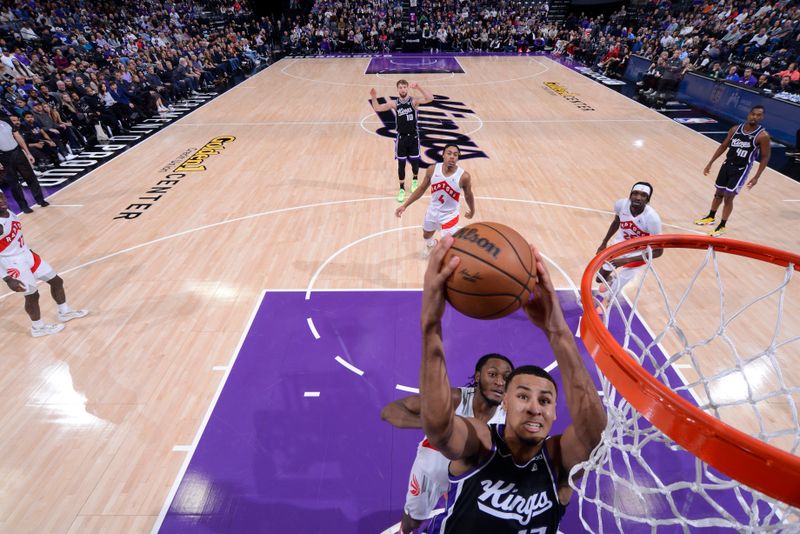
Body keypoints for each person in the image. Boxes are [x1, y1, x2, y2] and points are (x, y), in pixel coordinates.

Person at [418, 237, 606, 533]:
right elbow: (439, 428)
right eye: (522, 396)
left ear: (555, 413)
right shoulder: (482, 442)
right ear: (504, 402)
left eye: (545, 401)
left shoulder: (558, 462)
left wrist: (557, 331)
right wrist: (431, 325)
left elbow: (594, 433)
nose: (534, 408)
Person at [381, 354, 514, 534]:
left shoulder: (511, 417)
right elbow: (390, 411)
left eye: (506, 378)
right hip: (431, 468)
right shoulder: (454, 399)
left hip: (469, 480)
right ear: (477, 377)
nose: (500, 382)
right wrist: (438, 427)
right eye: (492, 374)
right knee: (412, 519)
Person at [0, 191, 88, 337]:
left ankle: (64, 312)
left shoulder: (7, 211)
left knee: (56, 281)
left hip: (27, 254)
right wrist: (8, 278)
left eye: (2, 197)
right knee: (32, 296)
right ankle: (37, 328)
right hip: (13, 262)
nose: (2, 201)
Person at [694, 106, 770, 236]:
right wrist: (710, 162)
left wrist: (757, 176)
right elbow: (723, 146)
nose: (755, 117)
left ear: (762, 117)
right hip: (727, 165)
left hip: (741, 169)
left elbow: (765, 156)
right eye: (753, 114)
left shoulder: (763, 136)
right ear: (749, 114)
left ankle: (722, 225)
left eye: (758, 115)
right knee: (718, 193)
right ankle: (711, 217)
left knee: (729, 197)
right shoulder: (735, 129)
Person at [395, 144, 475, 258]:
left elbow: (468, 195)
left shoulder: (464, 176)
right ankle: (431, 244)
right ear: (443, 155)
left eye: (455, 155)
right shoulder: (432, 170)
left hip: (450, 214)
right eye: (449, 153)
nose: (452, 156)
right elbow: (422, 188)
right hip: (433, 210)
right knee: (426, 235)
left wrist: (472, 210)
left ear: (458, 158)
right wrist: (405, 205)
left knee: (447, 243)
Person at [595, 182, 663, 311]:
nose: (638, 197)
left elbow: (659, 252)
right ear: (630, 195)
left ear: (648, 200)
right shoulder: (621, 205)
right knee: (600, 278)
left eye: (643, 195)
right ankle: (610, 280)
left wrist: (626, 260)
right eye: (635, 193)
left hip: (639, 252)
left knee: (619, 283)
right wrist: (604, 243)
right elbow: (616, 222)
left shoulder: (652, 218)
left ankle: (607, 301)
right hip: (621, 244)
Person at [369, 80, 433, 202]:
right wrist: (373, 96)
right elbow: (377, 107)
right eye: (400, 87)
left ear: (407, 88)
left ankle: (415, 180)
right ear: (397, 89)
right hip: (401, 138)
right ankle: (402, 189)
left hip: (413, 137)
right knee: (401, 164)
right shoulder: (394, 103)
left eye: (404, 87)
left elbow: (430, 98)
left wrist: (419, 86)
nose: (403, 89)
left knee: (415, 162)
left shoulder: (414, 101)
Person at [0, 115, 47, 214]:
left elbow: (18, 136)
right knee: (14, 183)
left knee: (30, 177)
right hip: (3, 157)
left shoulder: (6, 120)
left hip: (17, 152)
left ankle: (40, 200)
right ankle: (24, 206)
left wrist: (28, 153)